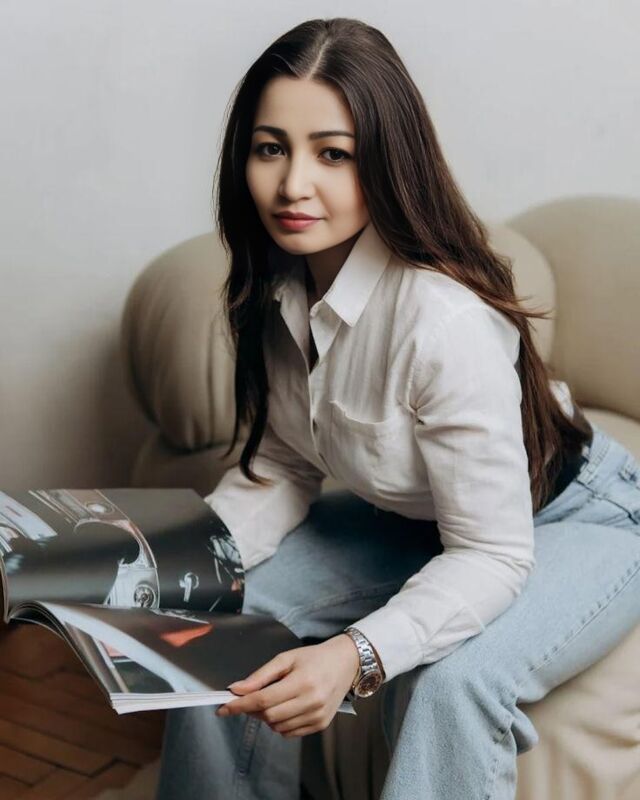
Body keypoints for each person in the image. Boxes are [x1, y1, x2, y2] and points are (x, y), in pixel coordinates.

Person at [155, 17, 640, 800]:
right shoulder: (272, 286)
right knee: (221, 621)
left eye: (333, 154)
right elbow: (281, 467)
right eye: (271, 148)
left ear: (386, 160)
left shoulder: (441, 322)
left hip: (579, 517)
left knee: (450, 686)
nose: (293, 184)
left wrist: (354, 655)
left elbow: (491, 554)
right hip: (426, 521)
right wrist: (169, 572)